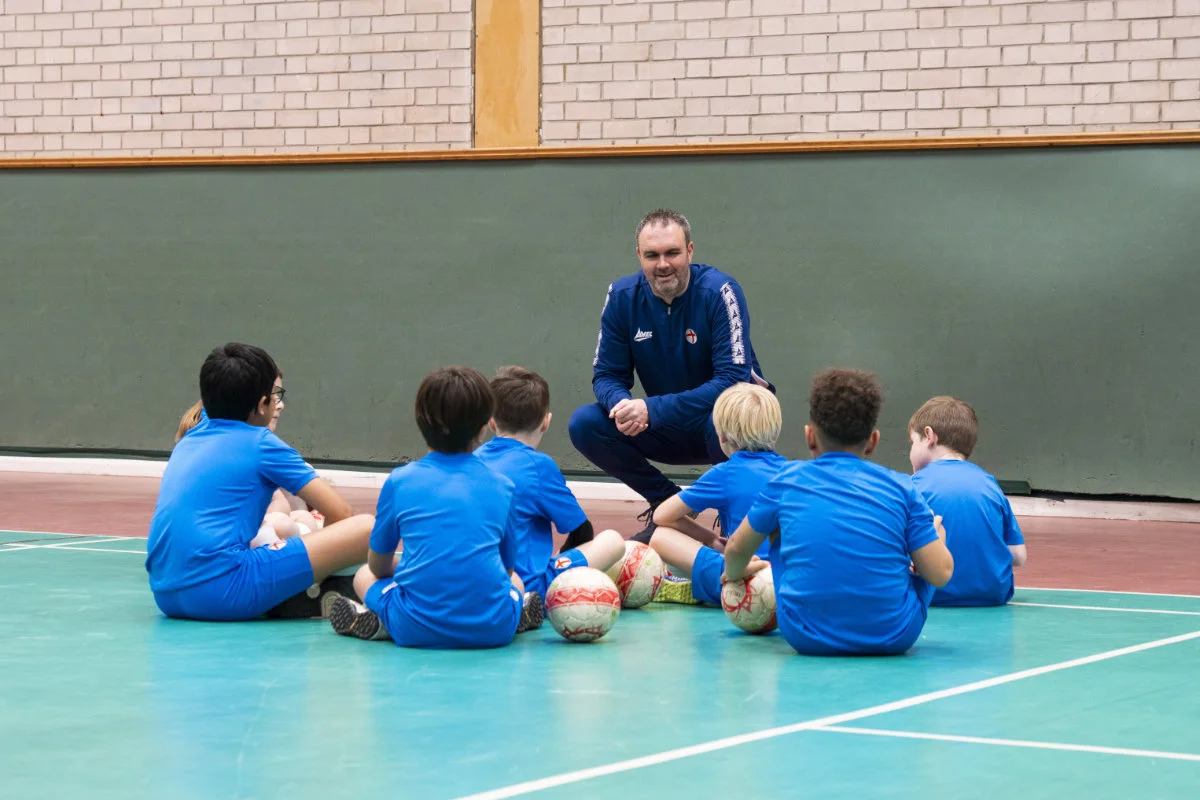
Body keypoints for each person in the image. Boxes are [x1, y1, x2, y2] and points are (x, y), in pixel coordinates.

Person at [568, 208, 772, 542]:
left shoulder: (721, 292)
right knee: (585, 423)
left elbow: (733, 381)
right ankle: (668, 503)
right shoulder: (621, 297)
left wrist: (651, 409)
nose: (663, 264)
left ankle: (733, 520)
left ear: (690, 251)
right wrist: (622, 405)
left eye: (672, 253)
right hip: (663, 426)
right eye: (652, 255)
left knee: (729, 417)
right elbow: (606, 374)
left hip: (722, 427)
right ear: (639, 256)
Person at [723, 368, 955, 656]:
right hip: (893, 635)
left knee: (778, 524)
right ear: (873, 441)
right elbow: (942, 575)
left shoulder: (786, 480)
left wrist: (733, 575)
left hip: (803, 633)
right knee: (925, 548)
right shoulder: (903, 488)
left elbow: (735, 549)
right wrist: (938, 538)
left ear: (809, 436)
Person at [146, 343, 374, 622]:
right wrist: (323, 564)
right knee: (366, 528)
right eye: (275, 395)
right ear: (261, 403)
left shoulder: (195, 433)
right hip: (225, 593)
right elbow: (341, 515)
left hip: (166, 595)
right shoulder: (262, 445)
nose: (279, 402)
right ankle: (316, 591)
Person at [327, 366, 544, 647]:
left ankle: (383, 622)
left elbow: (378, 567)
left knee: (362, 575)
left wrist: (405, 564)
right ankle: (518, 613)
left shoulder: (400, 481)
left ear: (420, 422)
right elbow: (507, 570)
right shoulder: (503, 486)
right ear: (483, 429)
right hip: (494, 629)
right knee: (517, 586)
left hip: (413, 628)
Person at [475, 366, 626, 597]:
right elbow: (581, 531)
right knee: (613, 541)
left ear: (492, 423)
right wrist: (560, 559)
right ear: (546, 422)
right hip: (530, 584)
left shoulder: (474, 460)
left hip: (479, 580)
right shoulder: (539, 466)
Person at [649, 382, 788, 606]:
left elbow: (662, 516)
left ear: (721, 437)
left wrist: (711, 539)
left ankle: (710, 582)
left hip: (741, 580)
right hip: (785, 582)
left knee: (661, 536)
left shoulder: (725, 473)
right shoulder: (792, 472)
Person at [908, 396, 1028, 607]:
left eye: (912, 442)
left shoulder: (912, 486)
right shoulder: (990, 484)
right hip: (994, 595)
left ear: (929, 436)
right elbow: (1019, 556)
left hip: (932, 595)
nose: (911, 451)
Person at [175, 399, 319, 549]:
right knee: (286, 522)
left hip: (229, 533)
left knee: (300, 516)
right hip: (226, 538)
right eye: (272, 395)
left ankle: (307, 531)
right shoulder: (243, 451)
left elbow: (279, 504)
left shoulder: (234, 448)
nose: (280, 404)